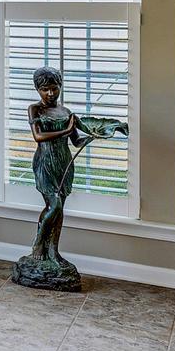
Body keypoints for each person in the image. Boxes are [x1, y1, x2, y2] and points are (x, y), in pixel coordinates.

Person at [15, 65, 128, 291]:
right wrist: (66, 130)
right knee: (54, 205)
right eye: (45, 89)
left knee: (60, 209)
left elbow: (75, 141)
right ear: (37, 90)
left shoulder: (66, 112)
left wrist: (93, 136)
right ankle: (38, 245)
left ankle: (53, 251)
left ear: (60, 87)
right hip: (45, 163)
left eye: (54, 88)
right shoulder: (35, 109)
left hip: (64, 163)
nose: (50, 93)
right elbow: (38, 137)